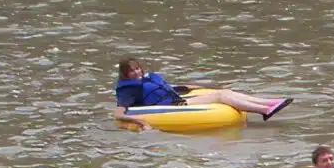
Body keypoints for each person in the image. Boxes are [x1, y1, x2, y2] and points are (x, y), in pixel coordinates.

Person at [113, 57, 287, 120]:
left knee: (223, 92)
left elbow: (173, 88)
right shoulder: (128, 91)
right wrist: (140, 121)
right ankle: (264, 110)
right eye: (132, 71)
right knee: (220, 96)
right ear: (125, 75)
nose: (137, 72)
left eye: (137, 68)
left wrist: (205, 87)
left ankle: (270, 103)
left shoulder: (147, 79)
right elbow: (119, 113)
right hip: (169, 109)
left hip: (177, 101)